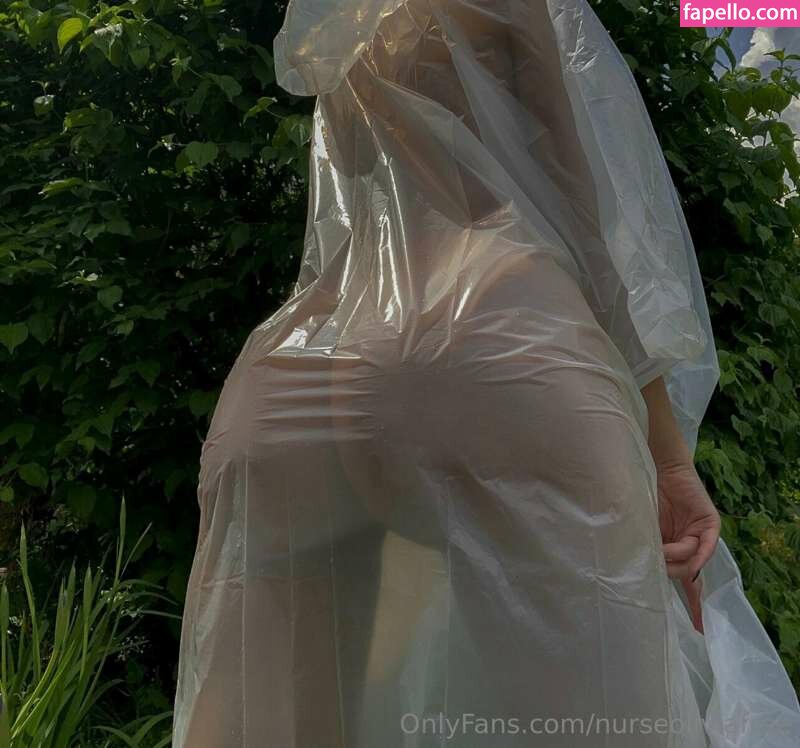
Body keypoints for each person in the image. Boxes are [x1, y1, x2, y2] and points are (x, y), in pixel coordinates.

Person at [172, 0, 800, 745]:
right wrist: (668, 459)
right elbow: (584, 211)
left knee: (263, 718)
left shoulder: (332, 13)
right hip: (502, 332)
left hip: (302, 360)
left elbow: (354, 205)